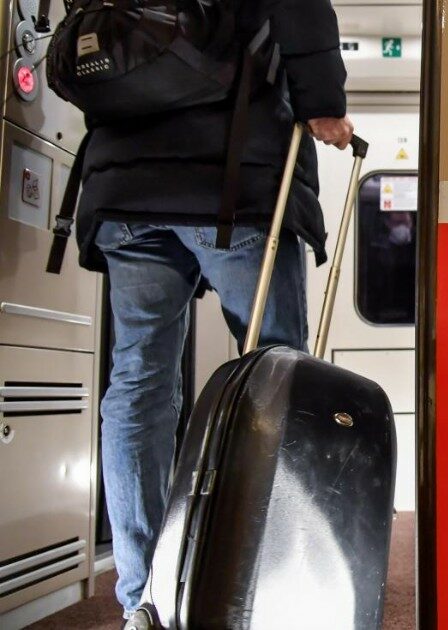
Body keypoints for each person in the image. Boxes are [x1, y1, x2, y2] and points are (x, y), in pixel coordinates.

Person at [70, 0, 354, 622]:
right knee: (280, 374)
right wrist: (322, 103)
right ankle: (271, 580)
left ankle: (141, 597)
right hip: (233, 177)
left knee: (139, 383)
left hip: (125, 189)